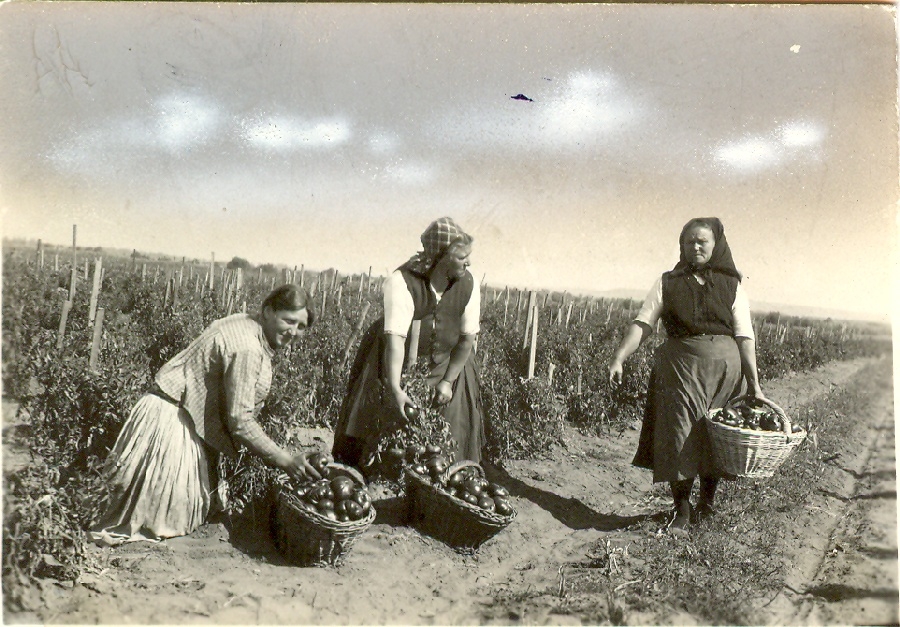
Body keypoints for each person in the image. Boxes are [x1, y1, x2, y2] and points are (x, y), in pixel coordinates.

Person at [90, 284, 330, 545]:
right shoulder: (248, 348)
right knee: (166, 520)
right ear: (268, 311)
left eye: (302, 327)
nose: (294, 332)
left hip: (172, 412)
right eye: (289, 321)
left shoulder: (246, 323)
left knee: (170, 508)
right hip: (170, 420)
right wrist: (285, 459)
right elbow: (240, 421)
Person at [608, 217, 766, 534]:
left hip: (725, 374)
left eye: (701, 241)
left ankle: (707, 504)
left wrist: (755, 385)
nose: (694, 247)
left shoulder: (733, 286)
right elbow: (643, 324)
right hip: (680, 371)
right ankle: (681, 509)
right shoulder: (667, 282)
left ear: (715, 245)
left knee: (716, 437)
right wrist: (619, 357)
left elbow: (745, 337)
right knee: (679, 435)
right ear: (681, 245)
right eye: (688, 241)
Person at [332, 216, 484, 471]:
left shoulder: (469, 283)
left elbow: (467, 339)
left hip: (449, 359)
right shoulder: (402, 281)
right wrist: (394, 387)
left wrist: (447, 381)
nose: (468, 262)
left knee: (451, 430)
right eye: (461, 257)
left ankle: (440, 477)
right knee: (377, 424)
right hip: (393, 358)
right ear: (440, 257)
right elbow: (395, 341)